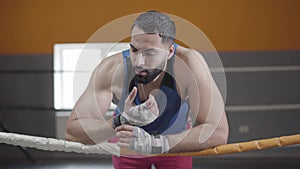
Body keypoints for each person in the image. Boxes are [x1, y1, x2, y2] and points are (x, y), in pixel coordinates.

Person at [65, 11, 229, 169]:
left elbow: (218, 132)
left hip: (175, 142)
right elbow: (73, 132)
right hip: (128, 144)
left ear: (170, 52)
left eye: (150, 53)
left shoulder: (189, 65)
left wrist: (156, 144)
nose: (139, 62)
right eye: (134, 50)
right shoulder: (111, 69)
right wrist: (121, 121)